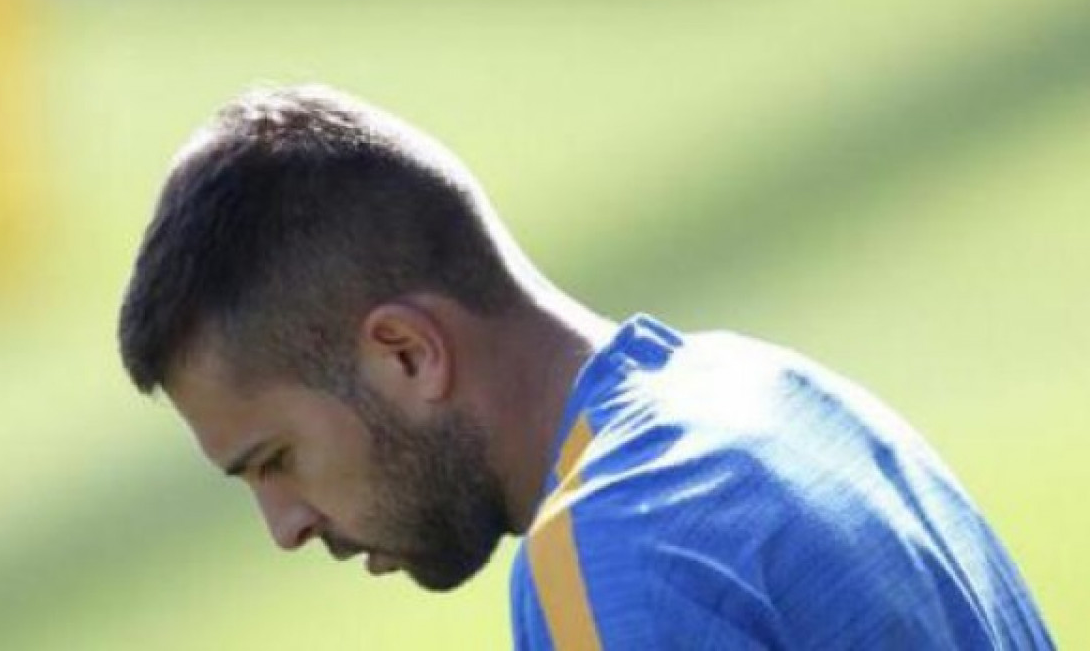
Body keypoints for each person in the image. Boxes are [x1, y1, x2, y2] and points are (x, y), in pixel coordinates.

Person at [118, 84, 1053, 649]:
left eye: (275, 458)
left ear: (407, 353)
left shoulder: (613, 549)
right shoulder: (787, 399)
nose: (284, 525)